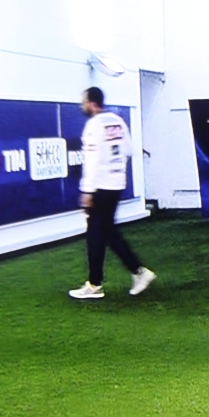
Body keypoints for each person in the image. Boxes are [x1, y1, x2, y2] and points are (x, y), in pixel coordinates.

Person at [69, 87, 156, 299]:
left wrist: (87, 190)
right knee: (106, 232)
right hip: (116, 184)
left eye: (84, 101)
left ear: (91, 103)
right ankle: (135, 272)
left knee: (96, 234)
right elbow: (128, 150)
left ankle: (96, 284)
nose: (82, 105)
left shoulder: (93, 126)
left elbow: (92, 161)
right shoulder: (118, 121)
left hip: (100, 186)